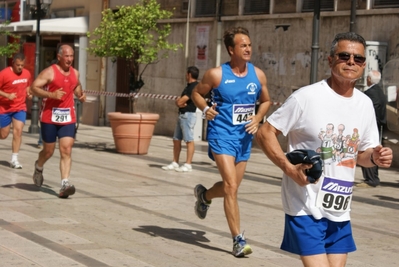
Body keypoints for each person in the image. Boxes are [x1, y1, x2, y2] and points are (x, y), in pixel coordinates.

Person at [255, 32, 393, 267]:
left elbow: (361, 156)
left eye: (358, 59)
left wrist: (377, 157)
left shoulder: (364, 104)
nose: (351, 62)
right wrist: (289, 169)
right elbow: (265, 132)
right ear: (330, 60)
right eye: (344, 56)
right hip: (305, 206)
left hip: (340, 207)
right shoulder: (306, 97)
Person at [191, 26, 271, 257]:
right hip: (221, 134)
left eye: (249, 44)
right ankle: (238, 240)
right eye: (242, 45)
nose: (247, 48)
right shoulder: (216, 74)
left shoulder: (258, 75)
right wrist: (205, 108)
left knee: (231, 187)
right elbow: (197, 93)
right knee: (231, 187)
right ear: (231, 49)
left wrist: (257, 118)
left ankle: (204, 196)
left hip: (244, 138)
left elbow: (266, 101)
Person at [30, 44, 86, 198]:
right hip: (49, 116)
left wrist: (80, 94)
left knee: (66, 149)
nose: (69, 59)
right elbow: (33, 88)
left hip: (68, 116)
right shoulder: (49, 72)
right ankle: (39, 166)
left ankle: (65, 184)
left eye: (72, 56)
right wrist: (51, 95)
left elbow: (76, 85)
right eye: (67, 56)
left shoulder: (75, 73)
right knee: (48, 151)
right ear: (59, 56)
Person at [162, 66, 199, 172]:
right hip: (182, 115)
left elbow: (179, 102)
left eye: (186, 74)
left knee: (189, 140)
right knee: (176, 139)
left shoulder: (194, 87)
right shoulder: (188, 86)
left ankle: (188, 164)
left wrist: (180, 102)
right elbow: (179, 102)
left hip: (188, 115)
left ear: (189, 75)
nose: (185, 76)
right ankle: (175, 162)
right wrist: (180, 102)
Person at [0, 53, 32, 169]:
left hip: (20, 107)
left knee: (18, 131)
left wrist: (29, 93)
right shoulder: (4, 74)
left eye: (22, 65)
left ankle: (14, 159)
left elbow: (27, 86)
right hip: (4, 108)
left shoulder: (27, 73)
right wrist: (7, 96)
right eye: (18, 65)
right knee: (3, 135)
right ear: (12, 63)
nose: (20, 67)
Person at [358, 70, 387, 188]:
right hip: (377, 125)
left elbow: (370, 113)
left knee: (368, 149)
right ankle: (372, 178)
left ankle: (371, 179)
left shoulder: (371, 93)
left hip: (372, 127)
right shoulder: (379, 91)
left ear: (369, 79)